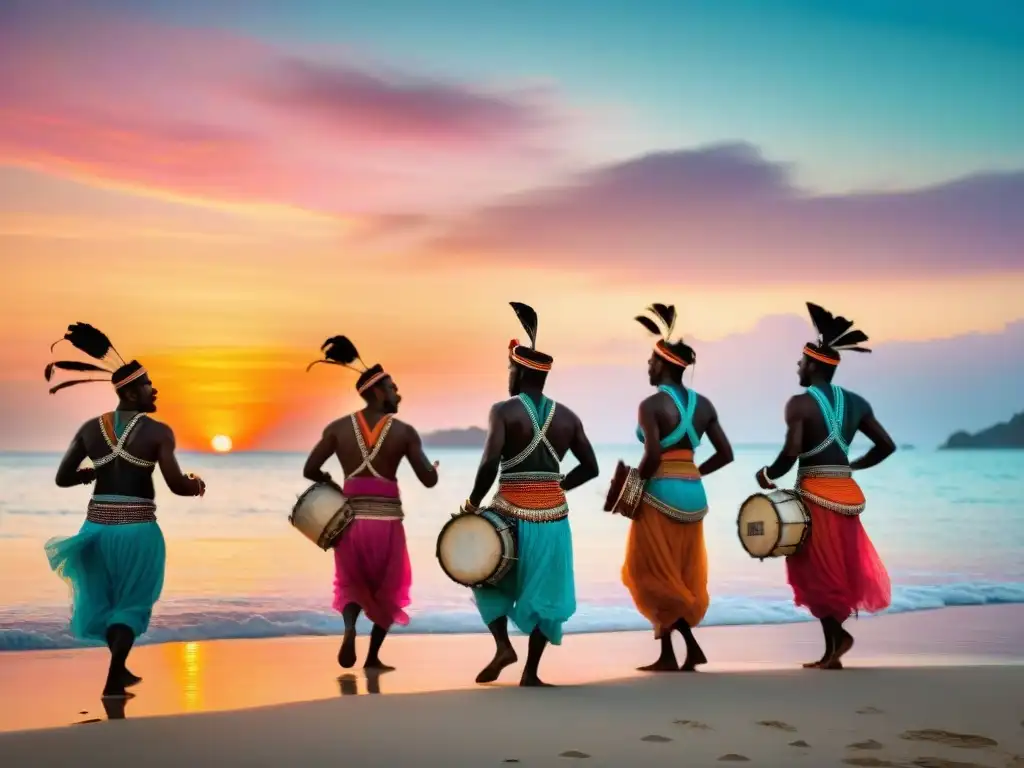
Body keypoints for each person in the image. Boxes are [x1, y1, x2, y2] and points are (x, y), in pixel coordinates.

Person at [44, 323, 206, 699]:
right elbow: (177, 486)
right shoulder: (158, 432)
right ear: (132, 391)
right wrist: (196, 484)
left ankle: (120, 667)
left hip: (94, 530)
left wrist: (92, 473)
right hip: (137, 532)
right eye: (149, 384)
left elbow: (62, 478)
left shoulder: (89, 429)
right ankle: (114, 677)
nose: (156, 389)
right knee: (132, 604)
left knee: (107, 602)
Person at [462, 302, 600, 687]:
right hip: (554, 521)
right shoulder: (570, 418)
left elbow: (490, 463)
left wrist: (473, 505)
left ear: (520, 370)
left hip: (508, 515)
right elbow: (592, 468)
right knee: (546, 594)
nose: (508, 374)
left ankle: (503, 646)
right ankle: (530, 672)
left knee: (483, 576)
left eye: (510, 368)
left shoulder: (503, 411)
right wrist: (558, 487)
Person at [756, 302, 895, 669]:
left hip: (815, 497)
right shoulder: (857, 403)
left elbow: (791, 451)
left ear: (815, 364)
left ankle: (838, 640)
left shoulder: (800, 404)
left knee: (815, 570)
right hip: (845, 497)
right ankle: (832, 649)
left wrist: (769, 475)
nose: (798, 368)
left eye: (802, 362)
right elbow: (887, 445)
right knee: (834, 569)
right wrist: (853, 466)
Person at [303, 335, 439, 671]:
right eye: (393, 388)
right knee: (388, 588)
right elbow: (428, 480)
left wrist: (333, 484)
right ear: (378, 392)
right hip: (387, 525)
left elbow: (309, 469)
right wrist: (433, 468)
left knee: (350, 583)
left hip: (349, 523)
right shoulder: (405, 432)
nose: (398, 393)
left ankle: (350, 628)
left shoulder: (337, 428)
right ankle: (373, 656)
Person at [621, 304, 734, 671]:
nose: (648, 368)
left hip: (660, 494)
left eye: (651, 362)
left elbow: (652, 454)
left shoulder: (650, 405)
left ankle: (688, 644)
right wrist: (693, 471)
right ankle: (669, 655)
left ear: (665, 364)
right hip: (694, 493)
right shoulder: (704, 405)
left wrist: (634, 487)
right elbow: (726, 453)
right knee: (681, 572)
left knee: (648, 571)